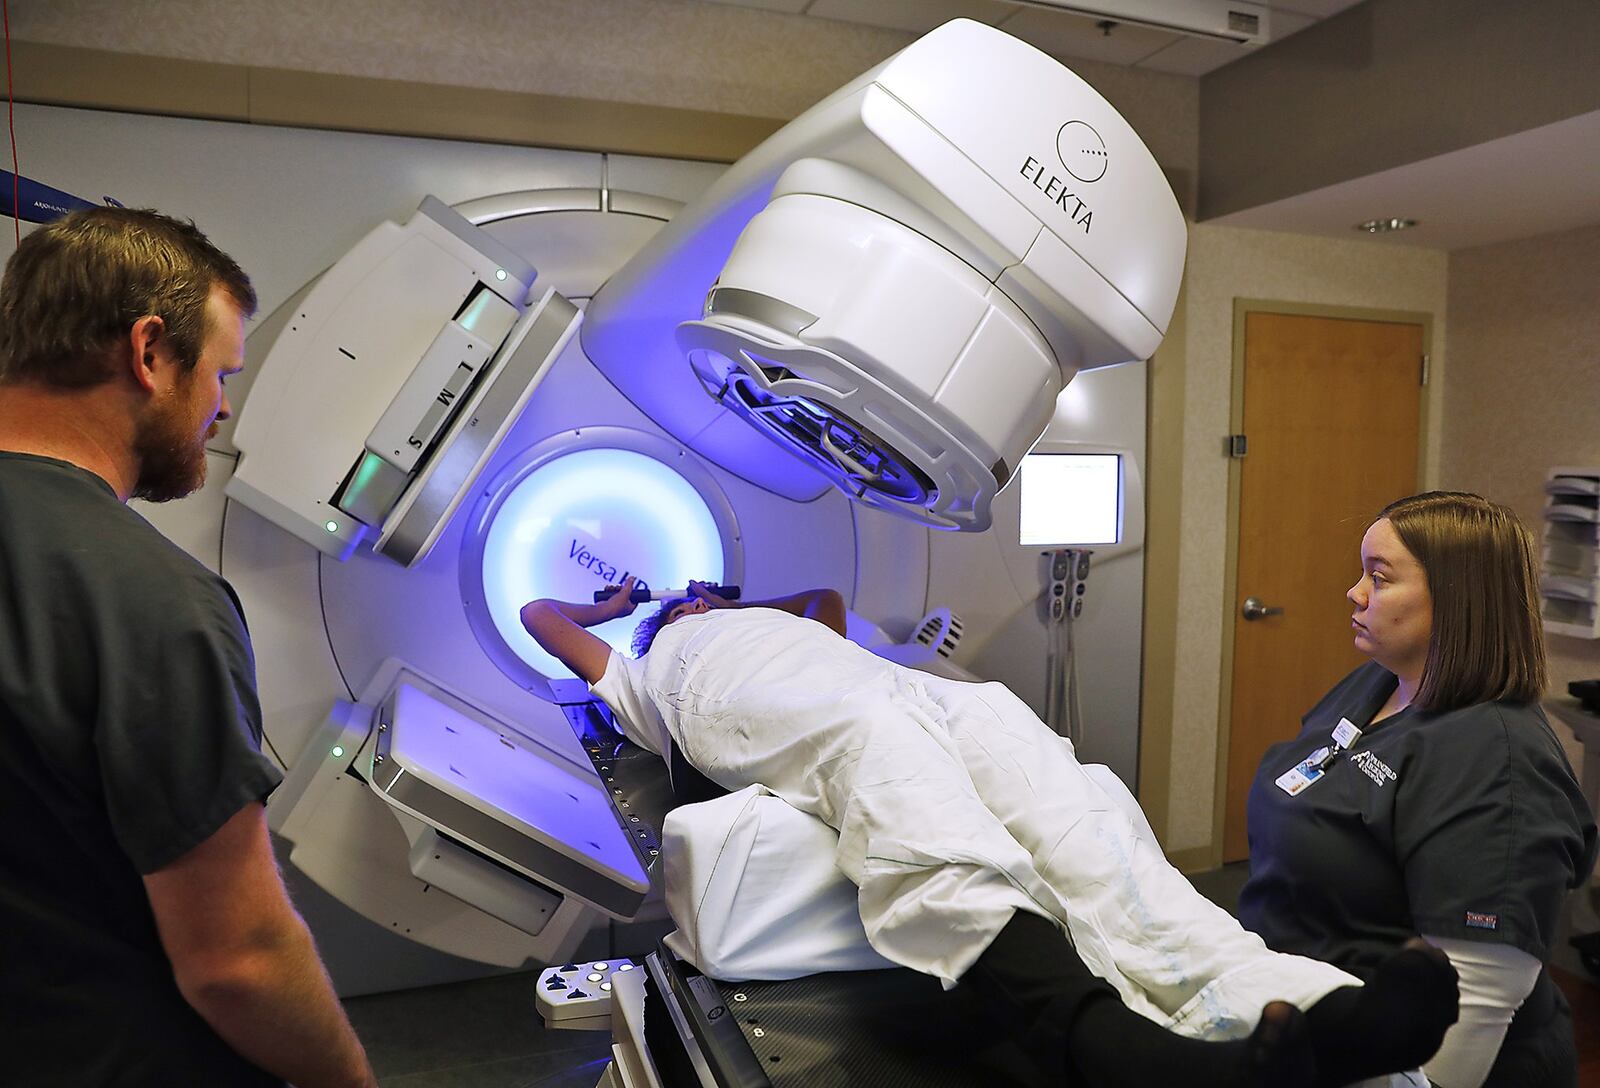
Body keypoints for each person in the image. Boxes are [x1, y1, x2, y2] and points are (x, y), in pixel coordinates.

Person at [524, 577, 1461, 1087]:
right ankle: (1104, 1045)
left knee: (1056, 781)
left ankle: (1315, 1010)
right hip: (743, 699)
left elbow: (828, 608)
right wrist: (627, 611)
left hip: (886, 681)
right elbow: (537, 613)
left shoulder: (786, 619)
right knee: (884, 761)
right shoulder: (646, 663)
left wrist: (737, 597)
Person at [0, 208, 376, 1087]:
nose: (222, 404)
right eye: (218, 372)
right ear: (148, 353)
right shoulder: (153, 601)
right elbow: (236, 962)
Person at [1240, 492, 1599, 1088]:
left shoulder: (1496, 761)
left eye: (1378, 578)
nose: (1354, 594)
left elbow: (1474, 996)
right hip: (1307, 1011)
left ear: (1458, 601)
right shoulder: (1380, 681)